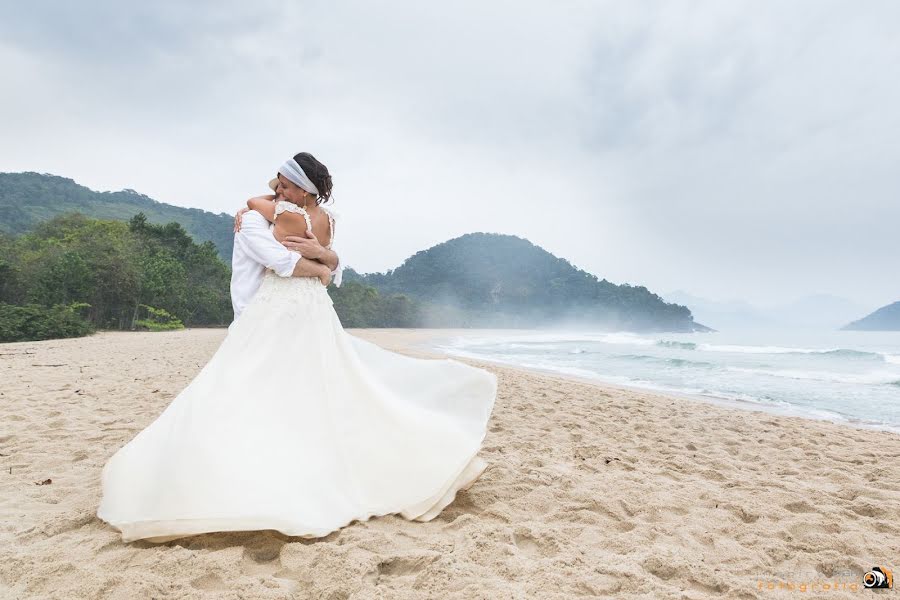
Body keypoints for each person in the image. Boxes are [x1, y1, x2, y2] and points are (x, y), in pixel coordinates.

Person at [96, 152, 498, 543]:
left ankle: (274, 474)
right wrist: (326, 265)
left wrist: (323, 260)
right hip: (302, 309)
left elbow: (283, 263)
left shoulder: (270, 214)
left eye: (285, 185)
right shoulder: (298, 217)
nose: (277, 190)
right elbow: (314, 266)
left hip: (279, 309)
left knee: (262, 385)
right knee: (298, 386)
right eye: (277, 186)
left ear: (303, 190)